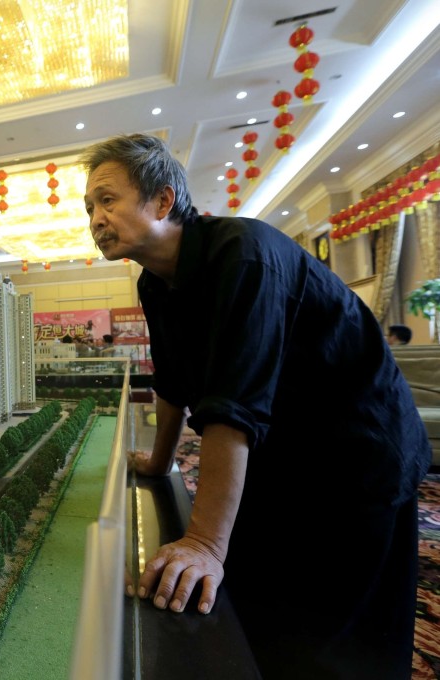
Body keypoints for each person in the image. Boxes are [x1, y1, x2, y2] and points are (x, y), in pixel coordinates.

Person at [81, 133, 430, 679]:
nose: (95, 219)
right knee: (261, 603)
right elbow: (172, 381)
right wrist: (158, 461)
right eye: (89, 208)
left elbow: (231, 407)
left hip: (357, 452)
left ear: (163, 200)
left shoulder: (243, 254)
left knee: (341, 635)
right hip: (280, 447)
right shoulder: (154, 282)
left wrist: (203, 541)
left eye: (107, 200)